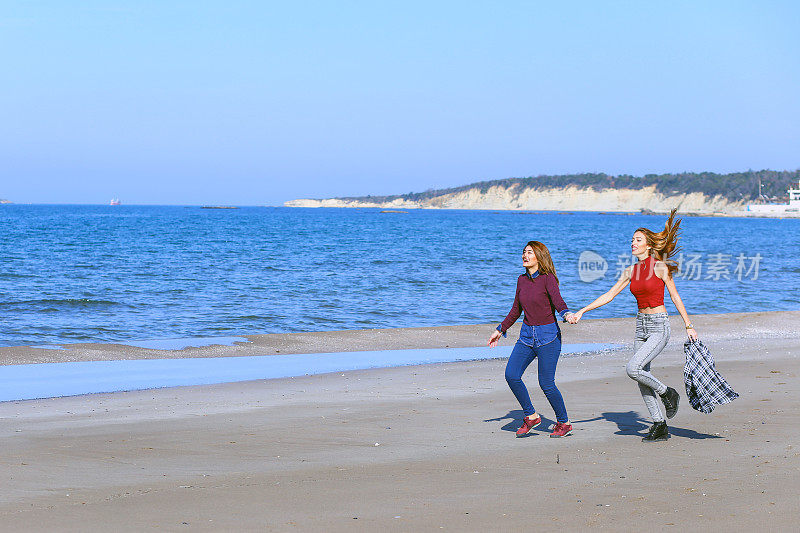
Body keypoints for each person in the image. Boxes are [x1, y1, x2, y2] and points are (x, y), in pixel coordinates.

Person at [568, 208, 697, 442]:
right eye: (631, 240)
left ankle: (668, 392)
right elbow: (609, 295)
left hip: (659, 325)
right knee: (641, 375)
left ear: (648, 245)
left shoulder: (659, 266)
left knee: (633, 369)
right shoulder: (630, 271)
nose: (632, 243)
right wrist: (582, 311)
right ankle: (659, 425)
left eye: (638, 240)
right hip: (641, 327)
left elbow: (676, 297)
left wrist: (689, 326)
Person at [488, 241, 575, 438]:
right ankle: (531, 416)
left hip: (548, 337)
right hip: (526, 336)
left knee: (546, 384)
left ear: (539, 257)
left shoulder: (548, 279)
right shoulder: (521, 280)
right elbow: (516, 310)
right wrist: (500, 329)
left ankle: (564, 422)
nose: (525, 256)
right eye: (524, 252)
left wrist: (566, 314)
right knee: (511, 375)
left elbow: (558, 301)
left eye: (530, 252)